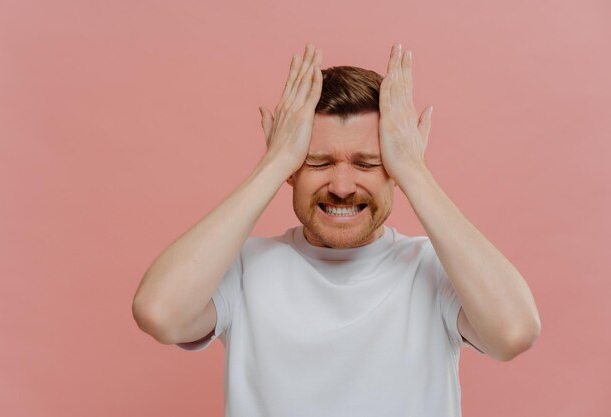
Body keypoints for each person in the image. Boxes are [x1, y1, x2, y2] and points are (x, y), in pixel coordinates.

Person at [132, 43, 541, 417]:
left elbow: (514, 332)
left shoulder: (434, 269)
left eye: (366, 164)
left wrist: (415, 171)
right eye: (318, 162)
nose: (342, 186)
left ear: (394, 170)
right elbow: (159, 312)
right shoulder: (242, 269)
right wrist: (273, 163)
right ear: (293, 169)